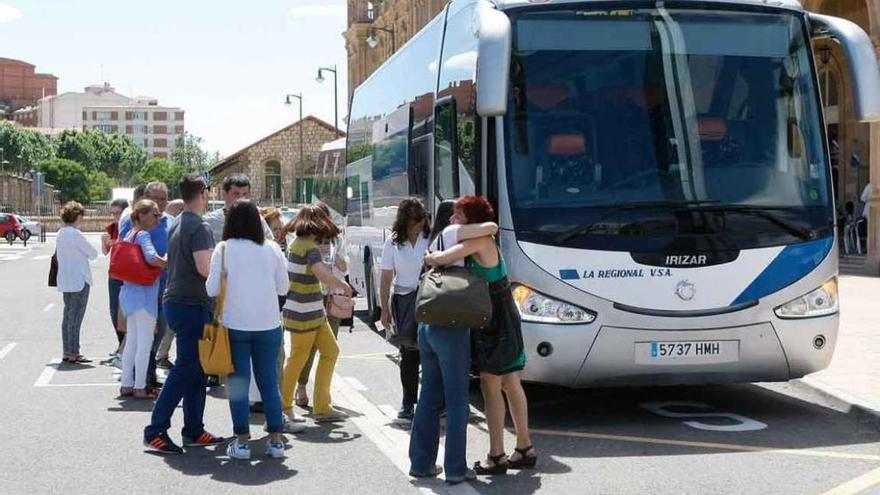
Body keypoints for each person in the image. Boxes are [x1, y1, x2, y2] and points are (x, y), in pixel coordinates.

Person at [425, 195, 537, 475]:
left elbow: (441, 258)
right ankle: (524, 447)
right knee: (511, 382)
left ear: (470, 219)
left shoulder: (478, 240)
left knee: (490, 384)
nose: (452, 219)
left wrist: (430, 257)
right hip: (502, 312)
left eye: (458, 215)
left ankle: (497, 454)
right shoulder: (483, 240)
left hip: (494, 317)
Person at [408, 200, 498, 484]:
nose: (455, 216)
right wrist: (469, 225)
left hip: (429, 324)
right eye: (455, 213)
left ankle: (421, 462)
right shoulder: (453, 232)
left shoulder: (437, 239)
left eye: (460, 213)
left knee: (430, 395)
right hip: (452, 325)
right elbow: (492, 226)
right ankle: (456, 468)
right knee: (458, 399)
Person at [143, 174, 226, 455]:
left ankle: (194, 429)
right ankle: (155, 430)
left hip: (178, 301)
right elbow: (205, 269)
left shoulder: (178, 221)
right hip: (191, 303)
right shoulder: (199, 226)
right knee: (186, 368)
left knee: (196, 369)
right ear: (202, 194)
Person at [206, 199, 289, 460]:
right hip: (268, 324)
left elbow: (211, 289)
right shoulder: (273, 248)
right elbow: (283, 288)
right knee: (269, 382)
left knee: (239, 383)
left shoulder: (224, 248)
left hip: (235, 325)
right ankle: (276, 441)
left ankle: (242, 441)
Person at [280, 205, 353, 423]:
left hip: (310, 311)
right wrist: (343, 285)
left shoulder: (296, 243)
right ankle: (284, 408)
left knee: (329, 351)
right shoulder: (309, 247)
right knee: (298, 359)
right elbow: (321, 274)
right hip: (305, 313)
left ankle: (321, 406)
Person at [379, 198, 431, 420]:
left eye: (420, 220)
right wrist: (384, 309)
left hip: (429, 298)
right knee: (409, 354)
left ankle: (431, 402)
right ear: (404, 222)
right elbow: (385, 278)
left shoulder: (430, 239)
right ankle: (408, 401)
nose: (417, 226)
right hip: (404, 299)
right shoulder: (393, 242)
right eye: (413, 222)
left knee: (430, 352)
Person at [295, 203, 348, 408]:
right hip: (310, 299)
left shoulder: (337, 239)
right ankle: (301, 386)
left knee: (330, 348)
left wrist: (334, 255)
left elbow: (344, 269)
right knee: (307, 348)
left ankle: (322, 395)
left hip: (331, 299)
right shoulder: (305, 241)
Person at [119, 200, 167, 400]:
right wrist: (168, 260)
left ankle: (126, 384)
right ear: (141, 215)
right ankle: (140, 387)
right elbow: (151, 258)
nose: (158, 218)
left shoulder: (130, 234)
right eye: (154, 215)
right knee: (144, 345)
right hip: (145, 296)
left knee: (131, 342)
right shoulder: (144, 235)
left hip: (130, 294)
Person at [56, 201, 98, 364]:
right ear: (77, 216)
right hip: (80, 279)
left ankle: (67, 350)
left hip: (66, 279)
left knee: (67, 316)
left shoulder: (61, 233)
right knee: (75, 317)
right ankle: (74, 351)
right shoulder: (75, 233)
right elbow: (93, 253)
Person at [205, 174, 273, 243]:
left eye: (245, 194)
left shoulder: (257, 220)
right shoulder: (210, 222)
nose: (241, 199)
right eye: (236, 194)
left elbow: (270, 244)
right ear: (224, 194)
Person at [102, 198, 129, 353]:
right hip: (114, 274)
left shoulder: (131, 225)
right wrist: (105, 242)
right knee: (114, 311)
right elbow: (105, 252)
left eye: (118, 213)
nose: (115, 217)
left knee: (126, 312)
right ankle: (121, 344)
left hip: (127, 274)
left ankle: (124, 346)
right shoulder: (112, 227)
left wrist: (117, 243)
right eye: (113, 213)